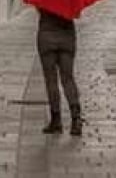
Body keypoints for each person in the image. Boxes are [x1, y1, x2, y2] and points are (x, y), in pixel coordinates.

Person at [37, 7, 82, 136]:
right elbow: (76, 12)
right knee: (68, 78)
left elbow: (38, 9)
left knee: (51, 80)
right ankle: (76, 119)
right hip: (67, 39)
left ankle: (56, 120)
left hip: (46, 38)